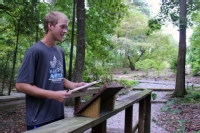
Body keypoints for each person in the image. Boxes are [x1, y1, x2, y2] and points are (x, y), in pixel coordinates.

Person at [15, 11, 87, 131]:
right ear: (50, 26)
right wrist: (53, 95)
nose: (65, 31)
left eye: (66, 28)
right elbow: (20, 85)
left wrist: (74, 85)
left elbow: (58, 77)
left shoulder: (60, 51)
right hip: (38, 118)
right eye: (62, 27)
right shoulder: (34, 51)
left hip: (57, 115)